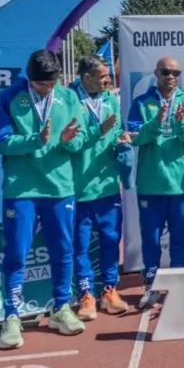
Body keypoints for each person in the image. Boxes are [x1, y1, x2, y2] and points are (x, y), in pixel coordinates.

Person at [0, 49, 89, 349]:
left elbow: (82, 138)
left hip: (60, 186)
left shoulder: (68, 96)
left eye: (50, 84)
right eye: (40, 85)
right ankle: (12, 314)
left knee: (63, 249)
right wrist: (37, 140)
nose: (46, 89)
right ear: (28, 76)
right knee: (17, 253)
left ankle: (61, 306)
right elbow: (2, 143)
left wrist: (69, 141)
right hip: (22, 188)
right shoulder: (9, 97)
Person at [127, 56, 184, 309]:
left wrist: (180, 123)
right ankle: (151, 285)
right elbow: (135, 138)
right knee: (151, 238)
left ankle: (178, 286)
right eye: (165, 72)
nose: (171, 76)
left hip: (180, 183)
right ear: (156, 73)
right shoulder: (142, 102)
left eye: (175, 72)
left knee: (180, 238)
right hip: (151, 182)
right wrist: (156, 122)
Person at [71, 55, 131, 320]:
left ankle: (109, 290)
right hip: (77, 185)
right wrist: (98, 130)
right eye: (103, 75)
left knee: (110, 240)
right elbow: (70, 143)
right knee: (79, 245)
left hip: (107, 184)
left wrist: (121, 139)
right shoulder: (68, 99)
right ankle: (86, 294)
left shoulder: (110, 99)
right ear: (87, 77)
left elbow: (115, 131)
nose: (108, 79)